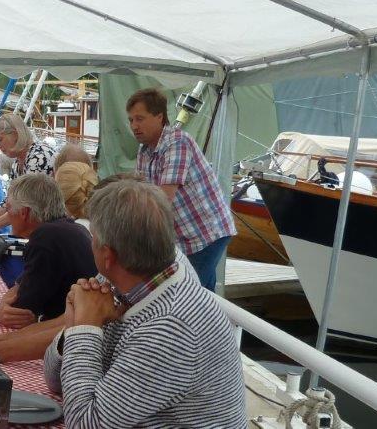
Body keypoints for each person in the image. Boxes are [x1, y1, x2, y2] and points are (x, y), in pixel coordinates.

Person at [42, 178, 246, 428]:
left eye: (92, 237)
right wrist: (72, 329)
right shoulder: (119, 281)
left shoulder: (170, 326)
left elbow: (84, 423)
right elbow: (55, 382)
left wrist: (85, 328)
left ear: (107, 255)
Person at [128, 88, 235, 291]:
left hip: (206, 234)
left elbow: (162, 200)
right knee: (204, 293)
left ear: (159, 116)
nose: (134, 126)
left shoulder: (177, 142)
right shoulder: (144, 151)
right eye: (131, 120)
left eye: (140, 119)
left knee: (189, 293)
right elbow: (140, 194)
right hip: (183, 237)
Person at [0, 174, 96, 329]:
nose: (8, 216)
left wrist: (4, 310)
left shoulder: (45, 238)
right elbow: (21, 284)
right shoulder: (73, 228)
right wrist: (4, 303)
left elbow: (20, 311)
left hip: (66, 334)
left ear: (24, 213)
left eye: (8, 209)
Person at [0, 113, 58, 242]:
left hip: (49, 234)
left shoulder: (39, 156)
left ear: (15, 134)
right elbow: (9, 201)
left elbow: (24, 207)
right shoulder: (18, 162)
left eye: (0, 139)